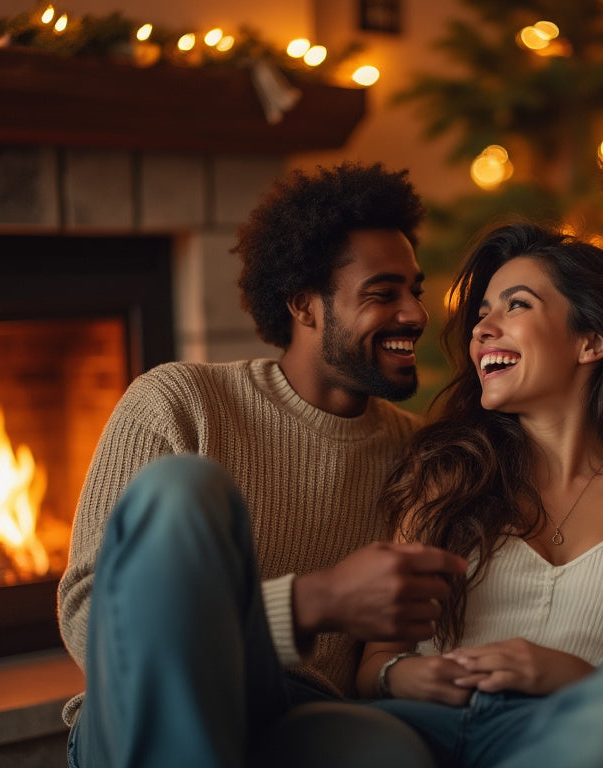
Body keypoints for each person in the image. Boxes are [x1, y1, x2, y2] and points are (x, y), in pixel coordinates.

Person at [56, 161, 467, 768]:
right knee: (183, 487)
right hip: (141, 705)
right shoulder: (179, 402)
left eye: (415, 290)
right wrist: (308, 605)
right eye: (383, 294)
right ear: (305, 305)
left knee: (390, 750)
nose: (414, 314)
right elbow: (91, 619)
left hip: (298, 715)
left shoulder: (416, 453)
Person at [356, 221, 603, 767]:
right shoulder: (444, 475)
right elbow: (373, 664)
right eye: (482, 312)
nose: (482, 329)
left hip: (577, 738)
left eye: (516, 306)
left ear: (592, 341)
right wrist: (404, 673)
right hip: (422, 733)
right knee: (321, 731)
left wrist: (577, 681)